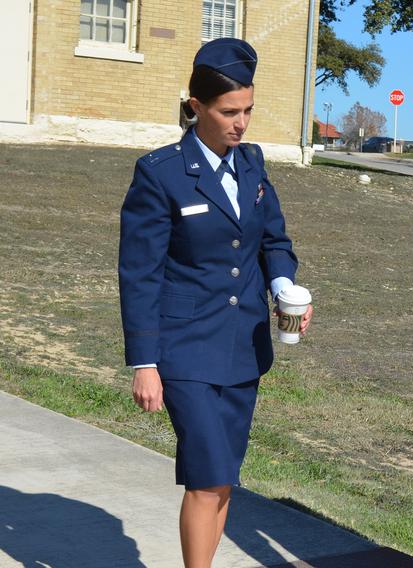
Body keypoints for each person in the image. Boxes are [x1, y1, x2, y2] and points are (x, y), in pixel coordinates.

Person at [118, 38, 312, 568]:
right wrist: (145, 362)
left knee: (224, 479)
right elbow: (139, 273)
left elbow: (275, 241)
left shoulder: (251, 165)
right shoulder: (161, 173)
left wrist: (282, 287)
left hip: (242, 348)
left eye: (248, 110)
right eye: (229, 112)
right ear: (196, 106)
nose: (241, 123)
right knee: (206, 479)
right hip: (184, 351)